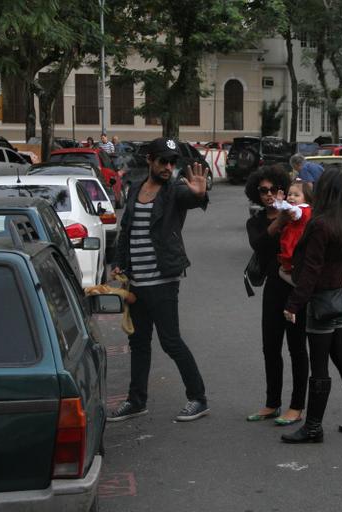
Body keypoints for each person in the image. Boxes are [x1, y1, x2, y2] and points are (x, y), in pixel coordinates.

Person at [108, 137, 210, 423]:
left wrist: (200, 194)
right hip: (136, 283)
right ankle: (136, 401)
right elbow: (126, 229)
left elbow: (191, 198)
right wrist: (118, 263)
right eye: (163, 160)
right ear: (150, 159)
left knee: (171, 341)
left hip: (163, 280)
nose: (168, 167)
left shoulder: (175, 189)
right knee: (139, 343)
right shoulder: (136, 189)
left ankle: (198, 398)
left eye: (173, 162)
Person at [281, 169, 342, 444]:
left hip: (322, 299)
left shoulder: (321, 224)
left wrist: (294, 304)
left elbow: (311, 268)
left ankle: (313, 427)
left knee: (319, 364)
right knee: (341, 355)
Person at [245, 166, 309, 427]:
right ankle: (272, 403)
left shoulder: (298, 215)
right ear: (256, 194)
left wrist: (288, 215)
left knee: (296, 348)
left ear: (282, 189)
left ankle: (296, 406)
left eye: (274, 189)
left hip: (296, 288)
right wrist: (279, 221)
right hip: (273, 287)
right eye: (263, 190)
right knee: (270, 347)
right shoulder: (257, 221)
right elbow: (259, 244)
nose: (269, 194)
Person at [273, 180, 313, 285]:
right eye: (290, 194)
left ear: (306, 197)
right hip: (294, 234)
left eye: (296, 195)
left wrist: (281, 202)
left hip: (296, 237)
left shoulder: (301, 209)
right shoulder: (301, 208)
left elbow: (293, 210)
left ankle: (292, 269)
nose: (291, 197)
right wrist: (280, 202)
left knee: (291, 252)